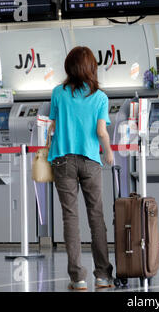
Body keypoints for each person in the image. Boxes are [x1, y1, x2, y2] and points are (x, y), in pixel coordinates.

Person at [47, 46, 114, 290]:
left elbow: (51, 128)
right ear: (91, 68)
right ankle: (103, 275)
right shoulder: (100, 97)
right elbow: (101, 131)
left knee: (70, 217)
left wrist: (47, 150)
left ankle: (78, 278)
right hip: (90, 161)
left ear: (69, 67)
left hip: (62, 160)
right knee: (96, 216)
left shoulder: (58, 93)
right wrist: (108, 151)